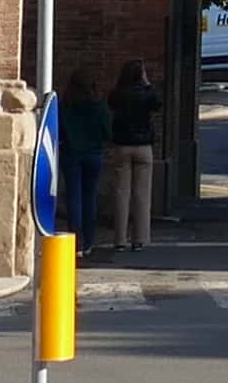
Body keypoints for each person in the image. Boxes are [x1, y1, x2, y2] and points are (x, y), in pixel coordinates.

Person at [48, 63, 112, 257]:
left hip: (71, 153)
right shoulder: (99, 106)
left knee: (74, 197)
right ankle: (89, 242)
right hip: (94, 154)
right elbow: (107, 132)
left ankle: (76, 243)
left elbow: (57, 130)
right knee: (90, 197)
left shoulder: (65, 105)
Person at [102, 61, 162, 251]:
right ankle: (140, 239)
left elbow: (110, 106)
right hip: (143, 146)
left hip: (121, 145)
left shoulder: (117, 94)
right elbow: (157, 103)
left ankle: (119, 239)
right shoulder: (147, 94)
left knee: (121, 193)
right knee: (142, 194)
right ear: (141, 75)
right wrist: (147, 83)